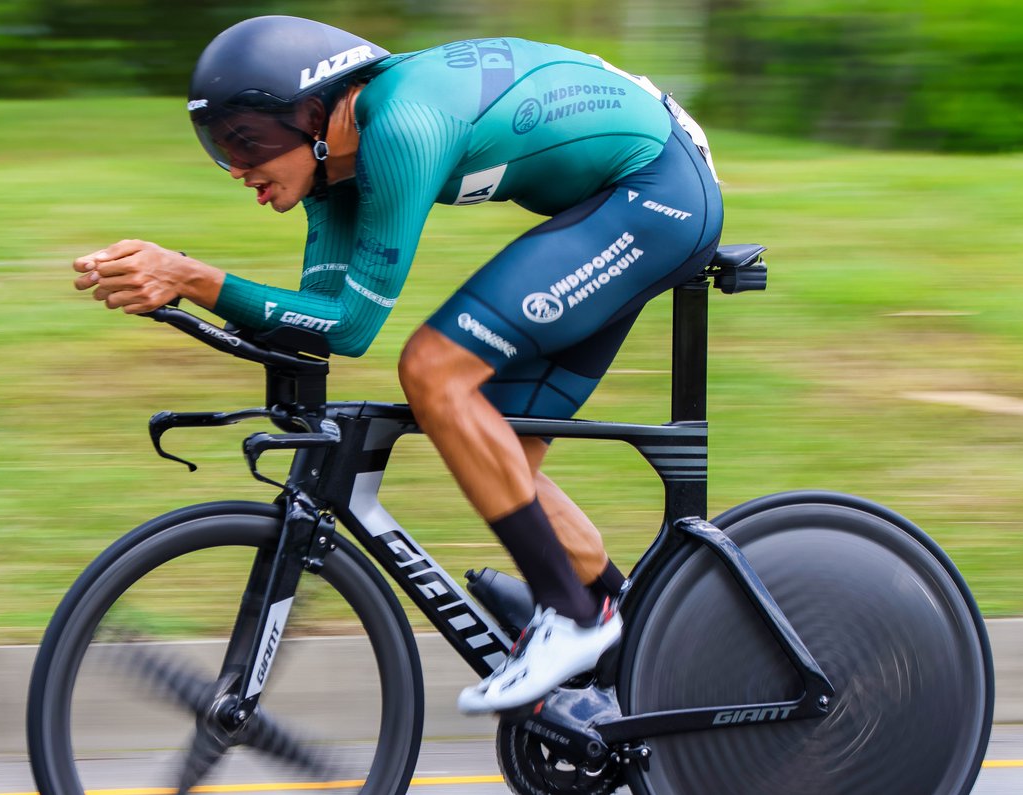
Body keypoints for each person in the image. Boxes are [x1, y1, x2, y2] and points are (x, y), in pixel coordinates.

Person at [72, 16, 723, 714]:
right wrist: (175, 301)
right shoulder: (331, 173)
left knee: (434, 371)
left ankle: (574, 614)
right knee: (497, 447)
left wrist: (194, 278)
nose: (236, 167)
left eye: (247, 140)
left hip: (657, 190)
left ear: (315, 113)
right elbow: (318, 320)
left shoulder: (402, 124)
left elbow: (356, 325)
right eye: (218, 144)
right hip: (621, 197)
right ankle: (625, 646)